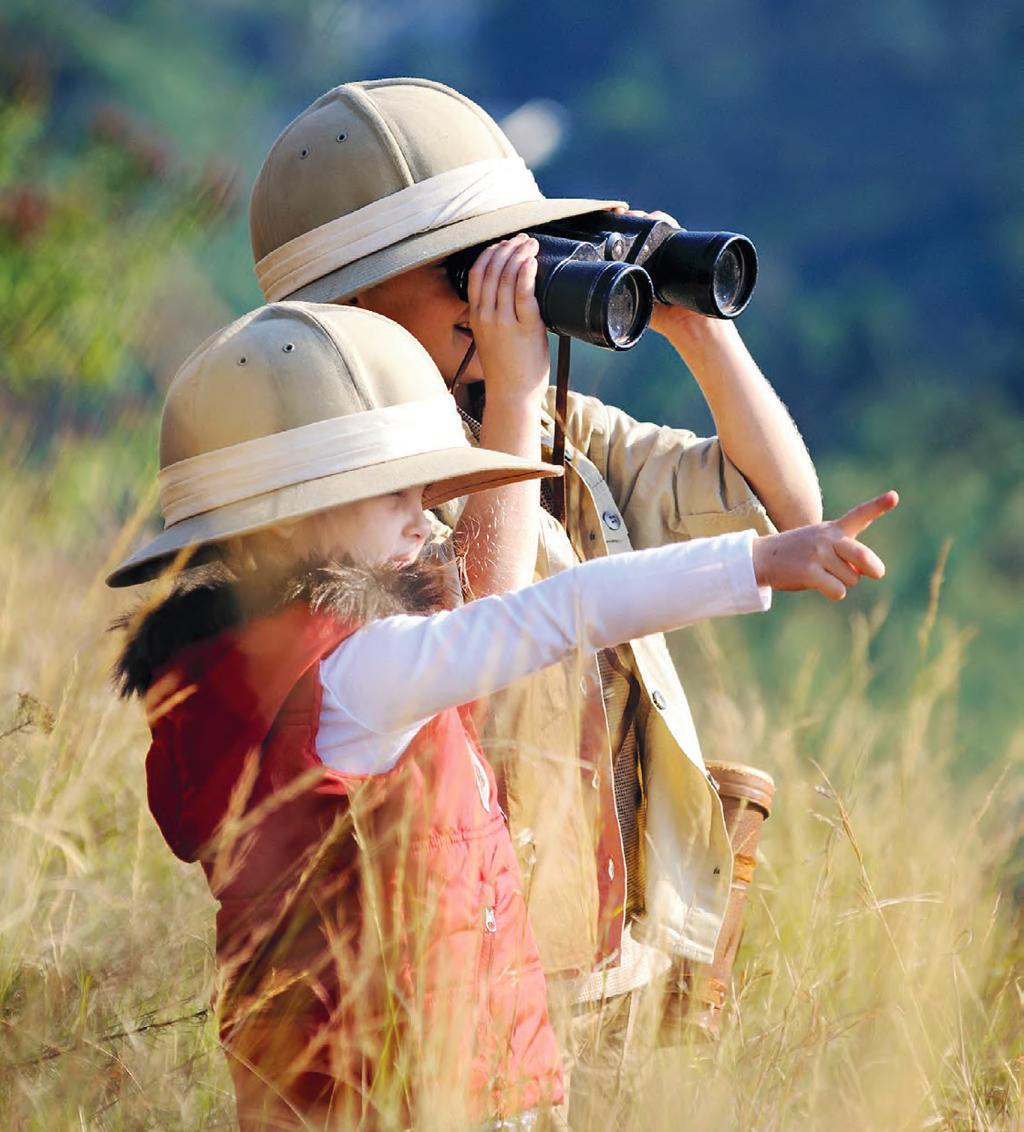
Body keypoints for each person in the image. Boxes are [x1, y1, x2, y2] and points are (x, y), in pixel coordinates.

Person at [247, 78, 825, 1116]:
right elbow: (467, 641)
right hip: (470, 958)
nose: (498, 295)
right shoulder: (334, 498)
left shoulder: (558, 430)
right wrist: (511, 396)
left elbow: (781, 509)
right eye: (467, 271)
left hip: (613, 944)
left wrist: (696, 327)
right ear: (357, 304)